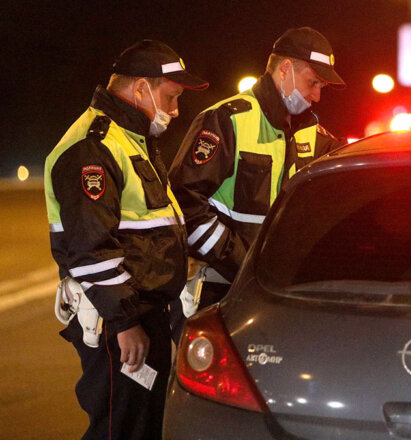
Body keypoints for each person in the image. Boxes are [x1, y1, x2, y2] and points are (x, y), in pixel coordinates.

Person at [44, 40, 208, 439]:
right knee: (120, 428)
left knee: (142, 425)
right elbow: (90, 249)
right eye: (170, 97)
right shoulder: (94, 147)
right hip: (118, 320)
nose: (175, 110)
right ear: (140, 88)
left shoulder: (130, 139)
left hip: (141, 312)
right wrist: (125, 322)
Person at [168, 27, 346, 336]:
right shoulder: (227, 120)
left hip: (277, 296)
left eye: (322, 86)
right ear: (285, 69)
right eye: (313, 82)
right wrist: (243, 265)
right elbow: (184, 203)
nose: (317, 95)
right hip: (218, 292)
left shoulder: (315, 136)